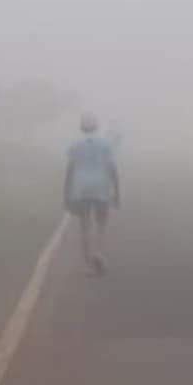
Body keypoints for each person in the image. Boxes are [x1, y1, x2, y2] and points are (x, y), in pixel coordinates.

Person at [64, 112, 121, 275]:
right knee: (101, 224)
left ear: (81, 127)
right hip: (101, 186)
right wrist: (117, 190)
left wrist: (66, 193)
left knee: (84, 226)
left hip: (81, 187)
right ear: (96, 127)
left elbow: (70, 169)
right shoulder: (106, 143)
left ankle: (88, 266)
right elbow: (111, 168)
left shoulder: (74, 144)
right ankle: (98, 252)